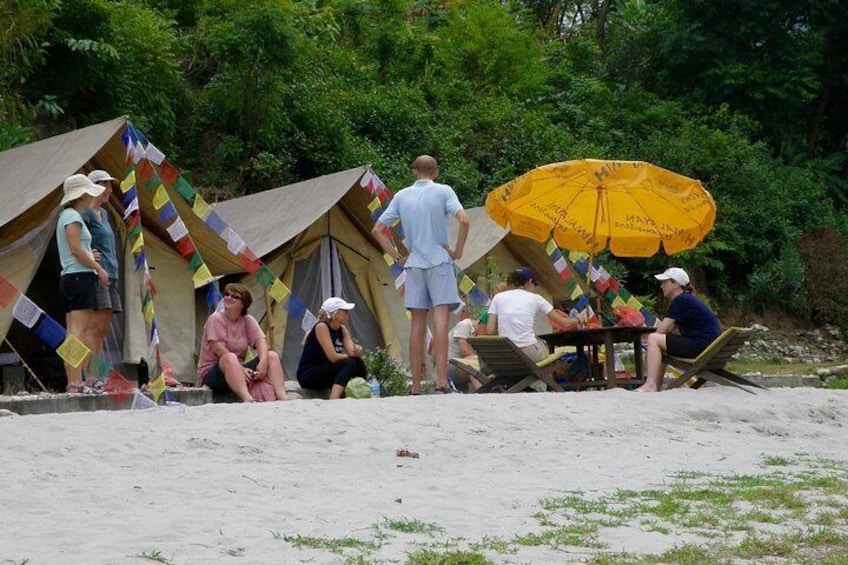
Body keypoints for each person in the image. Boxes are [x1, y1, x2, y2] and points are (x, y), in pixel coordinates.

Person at [372, 155, 469, 395]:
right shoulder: (444, 191)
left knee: (416, 322)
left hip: (414, 262)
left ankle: (415, 386)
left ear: (414, 172)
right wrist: (457, 251)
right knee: (441, 317)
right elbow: (464, 220)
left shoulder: (402, 196)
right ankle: (441, 382)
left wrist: (397, 256)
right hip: (439, 259)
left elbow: (378, 229)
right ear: (435, 173)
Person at [56, 174, 109, 393]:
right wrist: (98, 268)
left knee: (73, 331)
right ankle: (76, 381)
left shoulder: (66, 215)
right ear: (82, 195)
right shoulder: (73, 218)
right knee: (78, 331)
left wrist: (90, 257)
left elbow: (77, 249)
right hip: (80, 276)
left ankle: (73, 381)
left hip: (70, 277)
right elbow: (76, 249)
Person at [196, 283, 288, 402]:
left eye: (234, 296)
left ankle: (282, 396)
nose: (228, 298)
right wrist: (241, 369)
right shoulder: (216, 319)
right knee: (229, 357)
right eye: (227, 294)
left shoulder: (247, 320)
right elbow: (218, 349)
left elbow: (261, 342)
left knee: (272, 356)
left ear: (243, 304)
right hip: (214, 374)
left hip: (238, 371)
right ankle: (247, 398)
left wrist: (263, 363)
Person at [636, 267, 722, 392]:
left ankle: (650, 384)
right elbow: (669, 329)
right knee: (660, 343)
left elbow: (661, 331)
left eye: (664, 282)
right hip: (708, 347)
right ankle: (655, 386)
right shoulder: (686, 299)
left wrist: (646, 337)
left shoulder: (681, 300)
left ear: (675, 284)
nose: (661, 286)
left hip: (700, 346)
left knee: (654, 339)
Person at [486, 267, 578, 363]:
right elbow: (565, 324)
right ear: (529, 282)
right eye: (535, 284)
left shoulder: (498, 297)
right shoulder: (536, 298)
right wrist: (578, 319)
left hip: (507, 353)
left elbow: (490, 330)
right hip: (529, 353)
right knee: (545, 345)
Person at [83, 170, 121, 366]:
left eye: (110, 185)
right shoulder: (85, 213)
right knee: (94, 326)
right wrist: (89, 254)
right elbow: (74, 240)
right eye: (105, 185)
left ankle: (97, 374)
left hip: (111, 273)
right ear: (95, 187)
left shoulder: (104, 213)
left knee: (104, 328)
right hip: (97, 274)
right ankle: (90, 375)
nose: (109, 190)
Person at [297, 297, 367, 399]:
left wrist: (357, 350)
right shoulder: (321, 327)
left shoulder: (342, 329)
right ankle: (334, 399)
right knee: (349, 363)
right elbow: (332, 357)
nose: (348, 314)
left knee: (358, 362)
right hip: (309, 373)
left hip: (326, 369)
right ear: (336, 314)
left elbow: (352, 352)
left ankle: (361, 391)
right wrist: (349, 357)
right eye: (345, 311)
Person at [447, 302, 482, 392]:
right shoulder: (465, 325)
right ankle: (482, 392)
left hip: (461, 366)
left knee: (476, 364)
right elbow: (465, 352)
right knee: (474, 365)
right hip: (449, 367)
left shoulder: (477, 334)